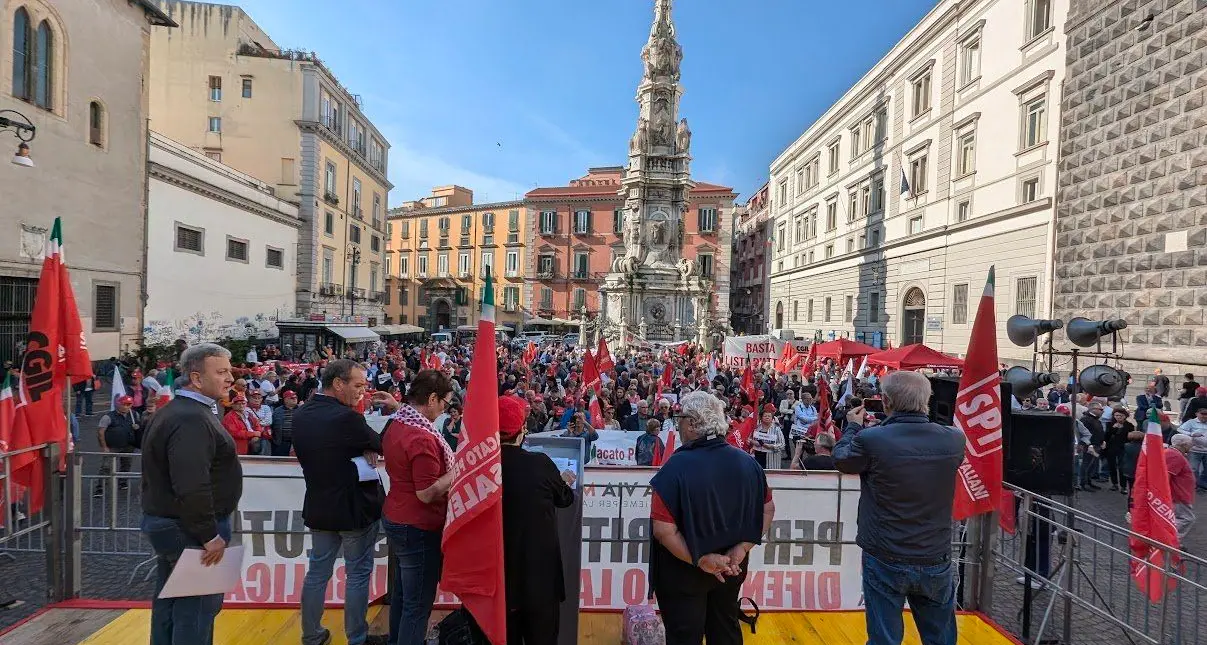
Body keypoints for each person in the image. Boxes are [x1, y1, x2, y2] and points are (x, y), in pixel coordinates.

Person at [832, 371, 965, 645]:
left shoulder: (872, 439)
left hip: (886, 555)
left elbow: (843, 460)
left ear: (886, 402)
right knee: (941, 638)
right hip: (934, 555)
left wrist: (853, 427)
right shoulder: (954, 439)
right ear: (927, 401)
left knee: (884, 639)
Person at [648, 390, 775, 645]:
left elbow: (663, 530)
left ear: (693, 423)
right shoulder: (749, 463)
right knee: (725, 629)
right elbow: (768, 510)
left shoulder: (675, 466)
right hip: (732, 567)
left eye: (680, 417)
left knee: (685, 636)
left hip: (684, 571)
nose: (678, 424)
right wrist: (742, 548)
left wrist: (702, 560)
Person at [140, 343, 242, 645]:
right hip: (190, 529)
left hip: (175, 524)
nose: (229, 378)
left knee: (172, 604)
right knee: (196, 610)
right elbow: (191, 483)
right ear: (196, 378)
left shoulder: (181, 411)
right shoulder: (191, 418)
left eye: (230, 370)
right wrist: (208, 533)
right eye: (221, 372)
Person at [292, 359, 399, 645]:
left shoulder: (301, 415)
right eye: (358, 385)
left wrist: (361, 444)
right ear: (338, 383)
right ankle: (357, 637)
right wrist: (396, 412)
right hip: (354, 509)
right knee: (358, 575)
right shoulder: (348, 419)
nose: (363, 391)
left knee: (317, 573)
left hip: (319, 506)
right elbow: (383, 444)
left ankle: (311, 635)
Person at [382, 370, 456, 645]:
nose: (444, 410)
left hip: (398, 516)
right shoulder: (422, 437)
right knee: (417, 606)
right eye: (444, 404)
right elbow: (426, 493)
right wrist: (457, 471)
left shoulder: (398, 422)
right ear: (433, 398)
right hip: (419, 525)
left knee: (403, 595)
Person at [498, 395, 576, 645]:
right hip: (539, 581)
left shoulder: (481, 467)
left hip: (497, 582)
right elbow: (564, 499)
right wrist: (565, 481)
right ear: (522, 430)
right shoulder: (540, 463)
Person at [94, 395, 141, 497]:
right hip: (112, 446)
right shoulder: (108, 417)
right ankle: (100, 488)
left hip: (128, 445)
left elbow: (139, 428)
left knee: (126, 465)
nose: (126, 407)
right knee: (106, 467)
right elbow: (101, 432)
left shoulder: (135, 415)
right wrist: (104, 447)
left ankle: (122, 482)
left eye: (129, 404)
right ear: (119, 404)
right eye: (124, 404)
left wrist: (137, 428)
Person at [1167, 434, 1197, 538]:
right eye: (1190, 444)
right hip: (1178, 494)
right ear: (1183, 444)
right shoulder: (1175, 455)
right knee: (1186, 518)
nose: (1191, 446)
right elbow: (1167, 475)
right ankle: (1169, 539)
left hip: (1180, 493)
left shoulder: (1175, 454)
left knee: (1179, 517)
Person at [1102, 407, 1134, 492]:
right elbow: (1106, 436)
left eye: (1120, 415)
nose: (1118, 417)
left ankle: (1123, 486)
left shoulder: (1129, 425)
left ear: (1125, 416)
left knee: (1122, 467)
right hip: (1111, 447)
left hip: (1123, 448)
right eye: (1116, 415)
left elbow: (1129, 437)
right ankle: (1114, 483)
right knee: (1112, 466)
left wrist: (1122, 429)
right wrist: (1114, 429)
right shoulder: (1110, 424)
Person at [1176, 406, 1207, 492]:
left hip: (1206, 450)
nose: (1204, 416)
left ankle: (1203, 485)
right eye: (1202, 414)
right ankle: (1192, 485)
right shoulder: (1191, 422)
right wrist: (1191, 434)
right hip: (1195, 450)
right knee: (1194, 469)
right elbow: (1180, 429)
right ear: (1197, 414)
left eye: (1206, 414)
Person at [750, 404, 784, 469]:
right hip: (758, 454)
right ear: (761, 417)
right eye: (765, 416)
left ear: (772, 418)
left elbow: (782, 444)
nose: (767, 417)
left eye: (769, 416)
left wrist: (772, 446)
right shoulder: (756, 428)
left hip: (771, 456)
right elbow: (749, 439)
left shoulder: (776, 428)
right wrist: (752, 442)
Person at [270, 390, 300, 456]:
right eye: (292, 398)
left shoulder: (302, 410)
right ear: (285, 400)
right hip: (281, 443)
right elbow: (272, 425)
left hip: (298, 444)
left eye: (296, 397)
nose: (295, 399)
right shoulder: (277, 411)